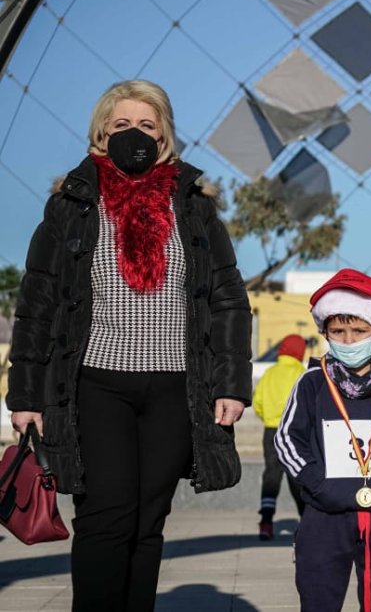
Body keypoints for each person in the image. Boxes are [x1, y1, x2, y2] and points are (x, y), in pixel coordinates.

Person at [5, 79, 251, 611]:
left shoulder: (194, 206)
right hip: (95, 383)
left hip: (175, 388)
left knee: (148, 519)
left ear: (163, 134)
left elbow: (228, 298)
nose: (133, 134)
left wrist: (231, 384)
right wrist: (24, 396)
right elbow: (37, 304)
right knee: (106, 513)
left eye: (146, 124)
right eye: (121, 125)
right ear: (100, 133)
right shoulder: (71, 205)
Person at [275, 268, 371, 611]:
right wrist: (318, 485)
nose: (348, 340)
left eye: (359, 331)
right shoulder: (311, 384)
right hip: (327, 515)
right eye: (338, 331)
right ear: (325, 333)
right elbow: (286, 439)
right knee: (319, 602)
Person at [252, 333, 309, 539]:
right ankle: (308, 522)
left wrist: (268, 418)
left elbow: (257, 401)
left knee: (271, 476)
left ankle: (266, 522)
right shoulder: (302, 373)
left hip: (271, 431)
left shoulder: (269, 373)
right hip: (296, 433)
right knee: (298, 476)